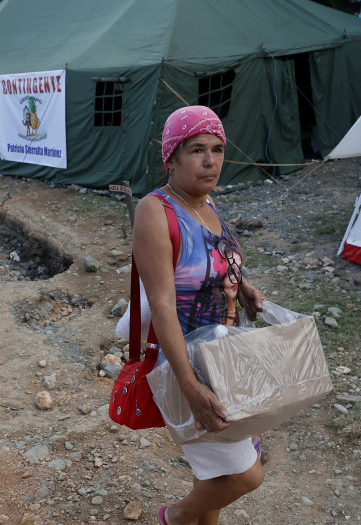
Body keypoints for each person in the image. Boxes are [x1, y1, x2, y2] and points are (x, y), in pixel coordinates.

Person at [134, 106, 267, 525]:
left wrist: (241, 284)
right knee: (246, 475)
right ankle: (173, 518)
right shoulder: (155, 211)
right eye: (196, 150)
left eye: (217, 149)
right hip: (187, 363)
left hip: (226, 360)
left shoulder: (207, 202)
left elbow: (213, 259)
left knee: (216, 471)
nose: (211, 161)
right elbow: (161, 303)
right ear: (171, 159)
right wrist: (190, 386)